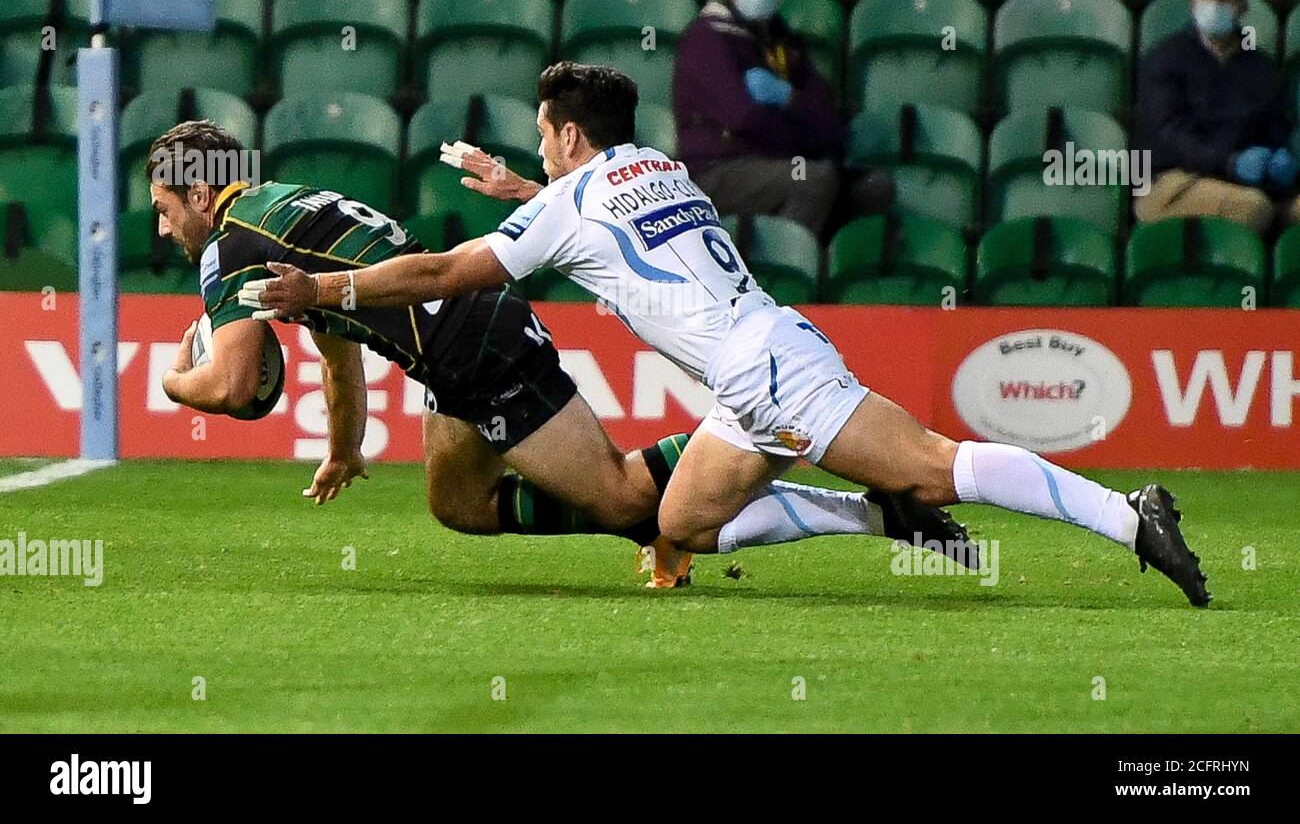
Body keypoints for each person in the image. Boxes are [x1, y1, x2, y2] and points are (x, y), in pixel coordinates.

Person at [245, 63, 1211, 607]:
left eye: (544, 134)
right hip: (751, 378)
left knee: (930, 461)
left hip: (774, 370)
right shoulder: (655, 167)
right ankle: (884, 520)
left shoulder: (574, 195)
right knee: (677, 528)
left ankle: (1130, 515)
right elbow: (601, 230)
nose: (541, 144)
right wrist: (523, 192)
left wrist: (324, 283)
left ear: (570, 136)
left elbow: (448, 274)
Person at [153, 120, 966, 588]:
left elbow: (232, 386)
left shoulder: (231, 243)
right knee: (458, 504)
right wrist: (342, 452)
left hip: (475, 350)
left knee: (619, 500)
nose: (162, 228)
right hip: (458, 343)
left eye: (163, 208)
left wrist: (171, 378)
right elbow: (335, 348)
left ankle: (812, 471)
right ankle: (722, 480)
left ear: (198, 192)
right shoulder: (283, 203)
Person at [672, 0, 890, 239]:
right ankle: (771, 272)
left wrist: (789, 100)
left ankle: (824, 271)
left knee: (874, 189)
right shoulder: (708, 39)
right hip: (715, 169)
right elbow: (743, 120)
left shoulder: (782, 40)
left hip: (776, 162)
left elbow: (829, 117)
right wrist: (802, 138)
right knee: (813, 180)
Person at [1134, 0, 1300, 235]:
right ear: (1192, 1)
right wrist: (1229, 162)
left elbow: (1273, 125)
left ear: (1242, 6)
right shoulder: (1165, 58)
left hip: (1247, 186)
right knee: (1251, 208)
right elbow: (1171, 132)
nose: (1214, 4)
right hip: (1174, 183)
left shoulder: (1260, 67)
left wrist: (1279, 156)